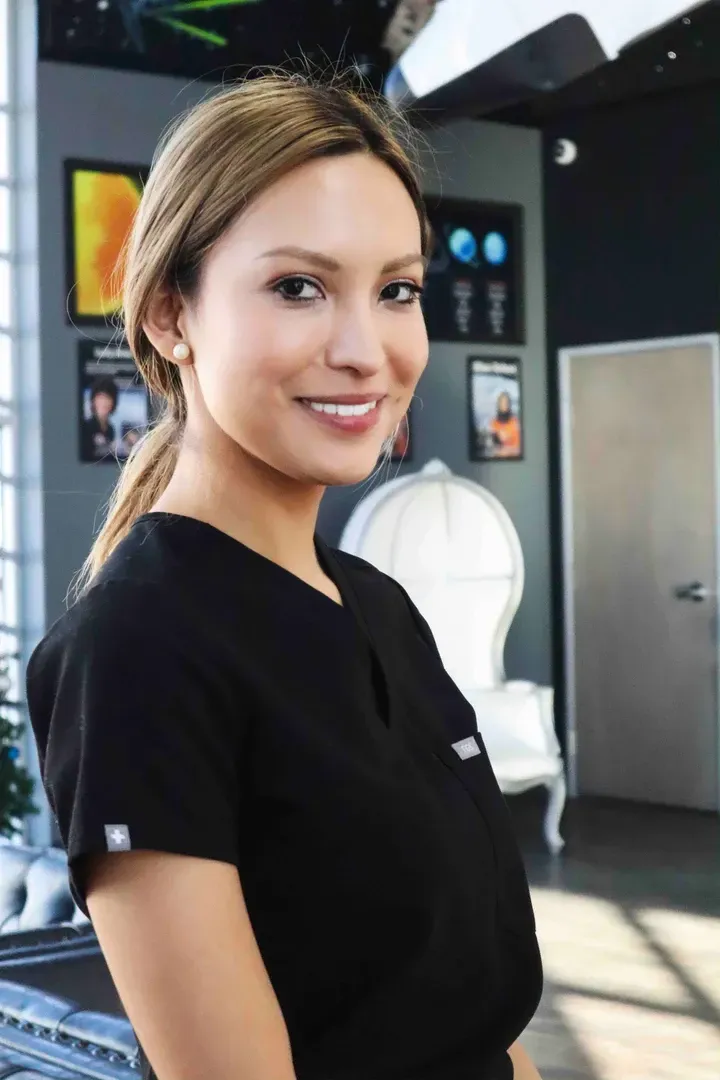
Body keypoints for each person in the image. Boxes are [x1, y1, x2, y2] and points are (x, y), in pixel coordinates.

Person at [26, 73, 543, 1080]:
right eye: (298, 286)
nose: (365, 350)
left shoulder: (378, 605)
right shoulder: (139, 650)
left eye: (395, 290)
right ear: (172, 312)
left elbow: (475, 1022)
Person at [80, 375, 118, 460]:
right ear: (93, 401)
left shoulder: (111, 429)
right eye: (100, 397)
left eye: (107, 398)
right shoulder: (86, 427)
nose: (104, 402)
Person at [490, 390, 522, 458]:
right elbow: (494, 445)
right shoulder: (494, 423)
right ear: (498, 404)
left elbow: (519, 446)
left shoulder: (515, 421)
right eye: (502, 402)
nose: (504, 404)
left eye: (506, 402)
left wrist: (509, 450)